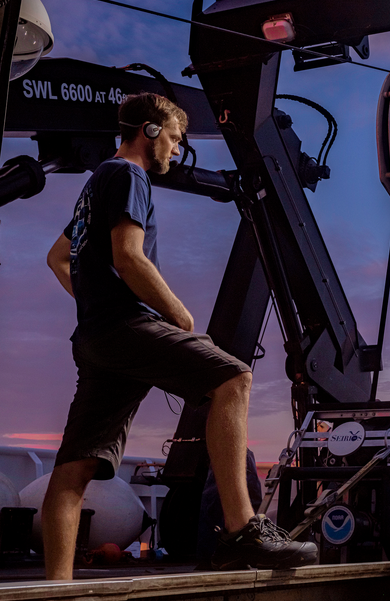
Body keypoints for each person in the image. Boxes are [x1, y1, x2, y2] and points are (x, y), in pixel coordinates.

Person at [42, 92, 317, 579]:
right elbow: (129, 255)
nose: (174, 149)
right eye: (172, 137)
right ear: (149, 131)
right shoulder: (129, 174)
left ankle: (55, 590)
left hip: (95, 338)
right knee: (233, 378)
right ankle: (241, 530)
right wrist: (178, 314)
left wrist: (93, 301)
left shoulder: (94, 184)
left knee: (76, 466)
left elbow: (58, 257)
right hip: (128, 326)